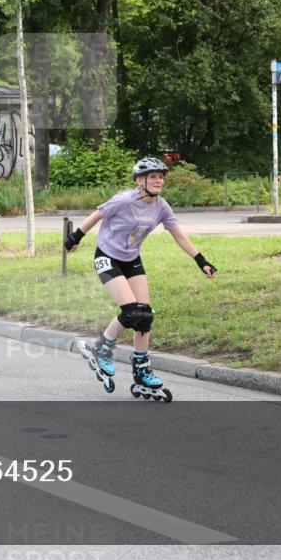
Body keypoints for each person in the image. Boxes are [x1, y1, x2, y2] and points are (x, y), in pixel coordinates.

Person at [64, 157, 217, 402]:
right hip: (107, 257)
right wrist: (75, 237)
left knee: (145, 316)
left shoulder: (162, 207)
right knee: (132, 311)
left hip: (132, 259)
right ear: (139, 180)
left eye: (161, 177)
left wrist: (201, 260)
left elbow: (179, 235)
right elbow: (97, 215)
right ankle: (102, 348)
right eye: (153, 176)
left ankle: (142, 371)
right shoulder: (124, 200)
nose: (159, 181)